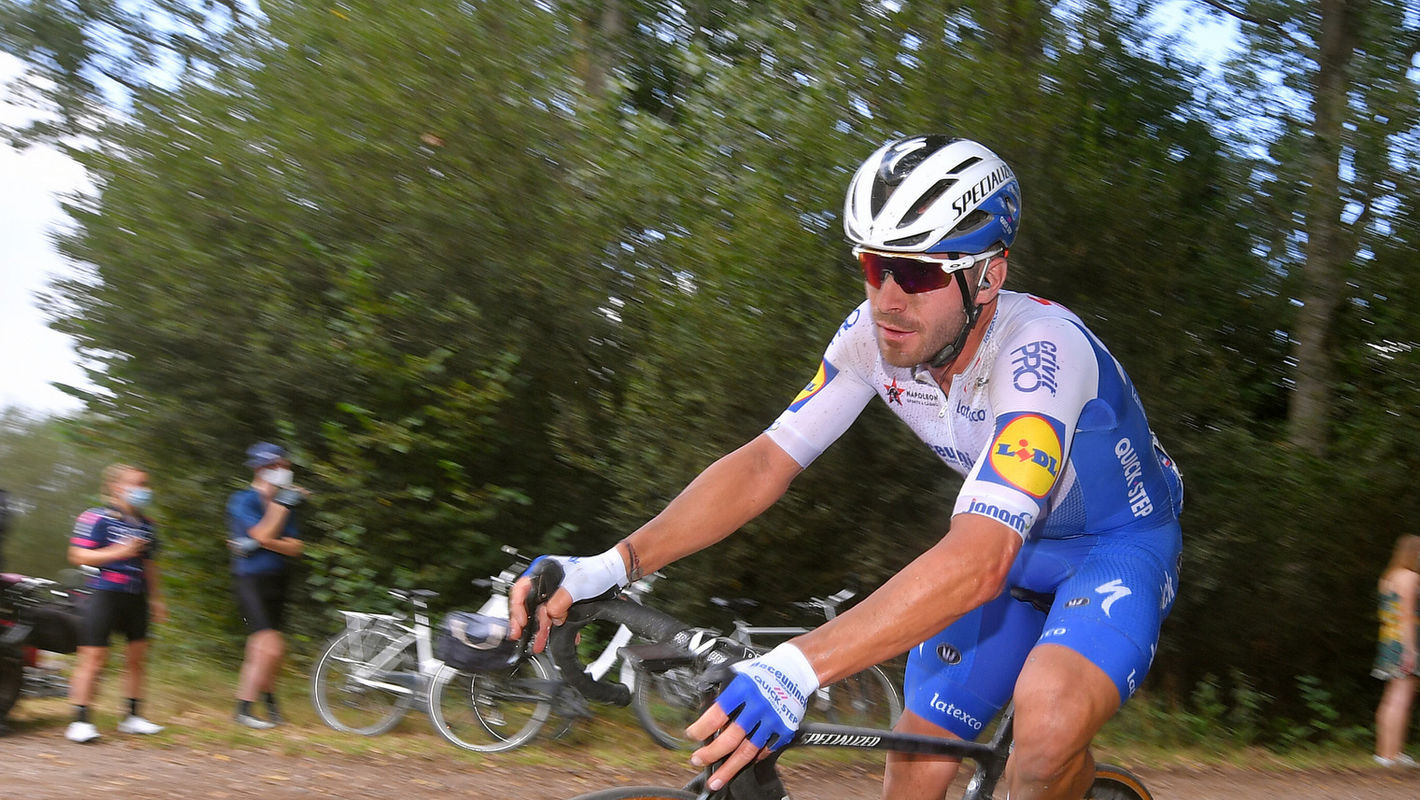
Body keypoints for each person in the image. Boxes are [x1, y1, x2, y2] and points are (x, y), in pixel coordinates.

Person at [512, 137, 1184, 800]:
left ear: (989, 276)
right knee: (917, 758)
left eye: (918, 274)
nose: (888, 298)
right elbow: (765, 463)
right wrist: (608, 565)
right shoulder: (870, 336)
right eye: (873, 265)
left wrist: (798, 668)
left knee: (1044, 734)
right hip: (1012, 548)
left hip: (1113, 547)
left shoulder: (1042, 353)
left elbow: (980, 559)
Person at [65, 463, 167, 743]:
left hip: (137, 597)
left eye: (146, 484)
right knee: (94, 659)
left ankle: (132, 717)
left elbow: (149, 563)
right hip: (104, 593)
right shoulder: (96, 517)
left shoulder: (148, 524)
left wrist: (156, 598)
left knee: (136, 659)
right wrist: (119, 551)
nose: (144, 490)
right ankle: (80, 721)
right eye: (138, 484)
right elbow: (77, 556)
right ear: (117, 486)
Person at [227, 442, 306, 729]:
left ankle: (270, 707)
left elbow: (296, 547)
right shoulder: (242, 500)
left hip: (278, 578)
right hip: (249, 579)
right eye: (278, 466)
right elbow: (262, 531)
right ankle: (243, 710)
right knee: (271, 647)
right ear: (261, 468)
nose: (285, 471)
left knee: (260, 650)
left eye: (285, 465)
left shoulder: (288, 503)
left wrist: (262, 543)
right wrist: (280, 508)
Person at [1372, 534, 1420, 767]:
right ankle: (1389, 756)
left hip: (1388, 641)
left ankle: (1388, 752)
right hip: (1404, 642)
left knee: (1392, 696)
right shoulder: (1410, 577)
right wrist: (1411, 651)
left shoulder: (1388, 577)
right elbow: (1407, 616)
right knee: (1401, 697)